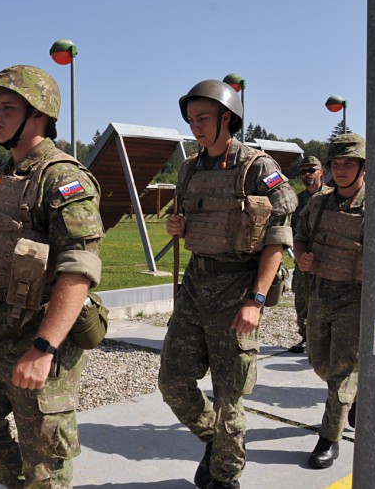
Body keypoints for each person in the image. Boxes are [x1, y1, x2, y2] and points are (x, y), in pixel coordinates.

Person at [0, 64, 104, 488]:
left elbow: (78, 272)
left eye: (8, 107)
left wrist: (44, 348)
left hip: (43, 332)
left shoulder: (64, 179)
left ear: (39, 115)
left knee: (45, 460)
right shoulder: (1, 175)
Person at [159, 79, 297, 489]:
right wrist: (179, 227)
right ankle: (218, 442)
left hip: (238, 289)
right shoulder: (190, 168)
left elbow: (279, 229)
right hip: (196, 284)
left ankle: (226, 476)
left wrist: (256, 299)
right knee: (173, 382)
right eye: (191, 119)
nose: (195, 126)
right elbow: (191, 220)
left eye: (203, 118)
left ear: (228, 118)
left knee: (230, 397)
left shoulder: (257, 167)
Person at [293, 133, 375, 469]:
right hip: (320, 294)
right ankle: (353, 395)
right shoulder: (319, 203)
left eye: (349, 164)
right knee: (320, 363)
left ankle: (329, 438)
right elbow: (299, 236)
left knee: (342, 371)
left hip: (357, 299)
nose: (340, 170)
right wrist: (301, 257)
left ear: (363, 167)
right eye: (336, 164)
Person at [289, 156, 325, 353]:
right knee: (301, 298)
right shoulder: (297, 200)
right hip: (302, 258)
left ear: (321, 172)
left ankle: (324, 339)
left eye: (310, 170)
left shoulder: (331, 196)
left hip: (327, 259)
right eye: (303, 172)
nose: (306, 175)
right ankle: (306, 338)